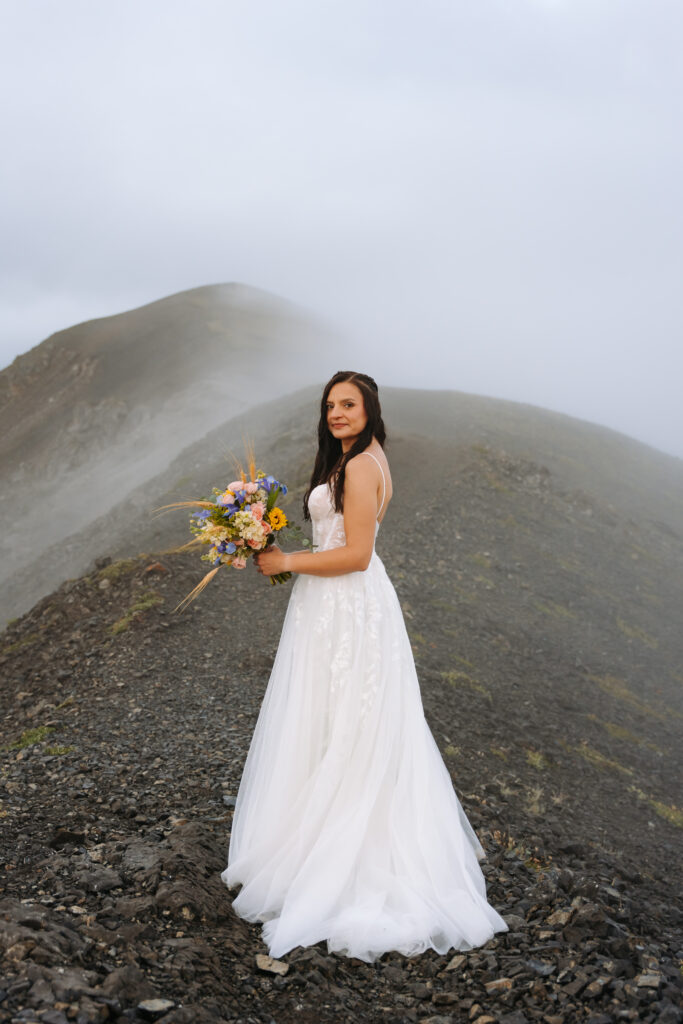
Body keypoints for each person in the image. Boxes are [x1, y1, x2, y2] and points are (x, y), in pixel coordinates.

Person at [220, 370, 508, 963]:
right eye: (330, 405)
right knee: (340, 717)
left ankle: (337, 856)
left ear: (371, 409)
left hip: (345, 606)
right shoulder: (364, 457)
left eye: (348, 404)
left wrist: (283, 561)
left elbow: (354, 554)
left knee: (345, 720)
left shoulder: (358, 465)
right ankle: (320, 838)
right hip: (338, 606)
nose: (337, 413)